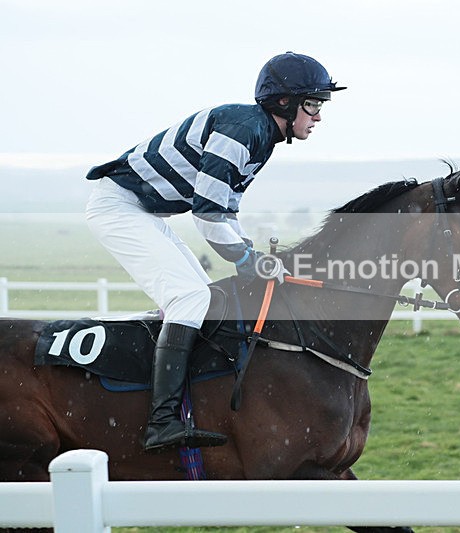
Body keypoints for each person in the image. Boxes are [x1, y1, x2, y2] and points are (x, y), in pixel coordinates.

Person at [84, 52, 345, 451]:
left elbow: (226, 212)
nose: (318, 116)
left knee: (203, 297)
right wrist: (245, 260)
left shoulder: (261, 136)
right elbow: (207, 217)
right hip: (118, 206)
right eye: (312, 104)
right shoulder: (243, 129)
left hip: (139, 209)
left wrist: (251, 256)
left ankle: (174, 400)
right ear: (284, 102)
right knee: (189, 297)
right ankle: (161, 423)